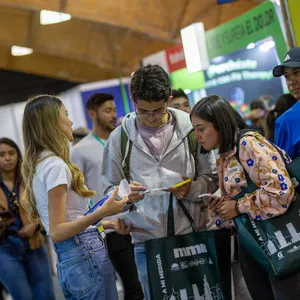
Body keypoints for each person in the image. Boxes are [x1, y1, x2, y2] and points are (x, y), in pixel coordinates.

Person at [102, 64, 219, 299]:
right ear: (133, 101)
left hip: (193, 236)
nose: (151, 118)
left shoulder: (190, 129)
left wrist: (193, 189)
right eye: (143, 111)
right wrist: (124, 203)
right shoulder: (119, 139)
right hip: (147, 244)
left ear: (169, 99)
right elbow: (109, 191)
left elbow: (213, 177)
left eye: (157, 110)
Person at [190, 94, 300, 300]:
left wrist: (238, 207)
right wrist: (225, 207)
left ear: (219, 123)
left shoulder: (248, 144)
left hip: (280, 241)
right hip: (256, 244)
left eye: (201, 128)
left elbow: (281, 191)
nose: (197, 136)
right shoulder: (226, 153)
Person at [21, 94, 130, 300]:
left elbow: (71, 221)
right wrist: (103, 211)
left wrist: (108, 223)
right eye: (66, 115)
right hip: (83, 256)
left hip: (73, 258)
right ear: (52, 122)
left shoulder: (42, 165)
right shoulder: (55, 166)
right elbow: (59, 231)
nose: (71, 121)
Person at [71, 93, 143, 300]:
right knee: (133, 285)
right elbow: (80, 193)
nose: (113, 115)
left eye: (114, 109)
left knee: (145, 280)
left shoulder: (124, 141)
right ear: (92, 114)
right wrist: (98, 222)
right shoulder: (79, 151)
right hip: (110, 228)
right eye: (107, 110)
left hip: (138, 221)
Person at [0, 137, 55, 300]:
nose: (7, 158)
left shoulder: (30, 179)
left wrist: (36, 225)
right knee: (23, 297)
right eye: (1, 154)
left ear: (18, 155)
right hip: (5, 249)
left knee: (46, 296)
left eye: (11, 153)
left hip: (34, 244)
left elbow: (49, 208)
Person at [273, 47, 300, 159]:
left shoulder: (286, 121)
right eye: (287, 76)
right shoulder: (285, 122)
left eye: (296, 72)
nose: (291, 82)